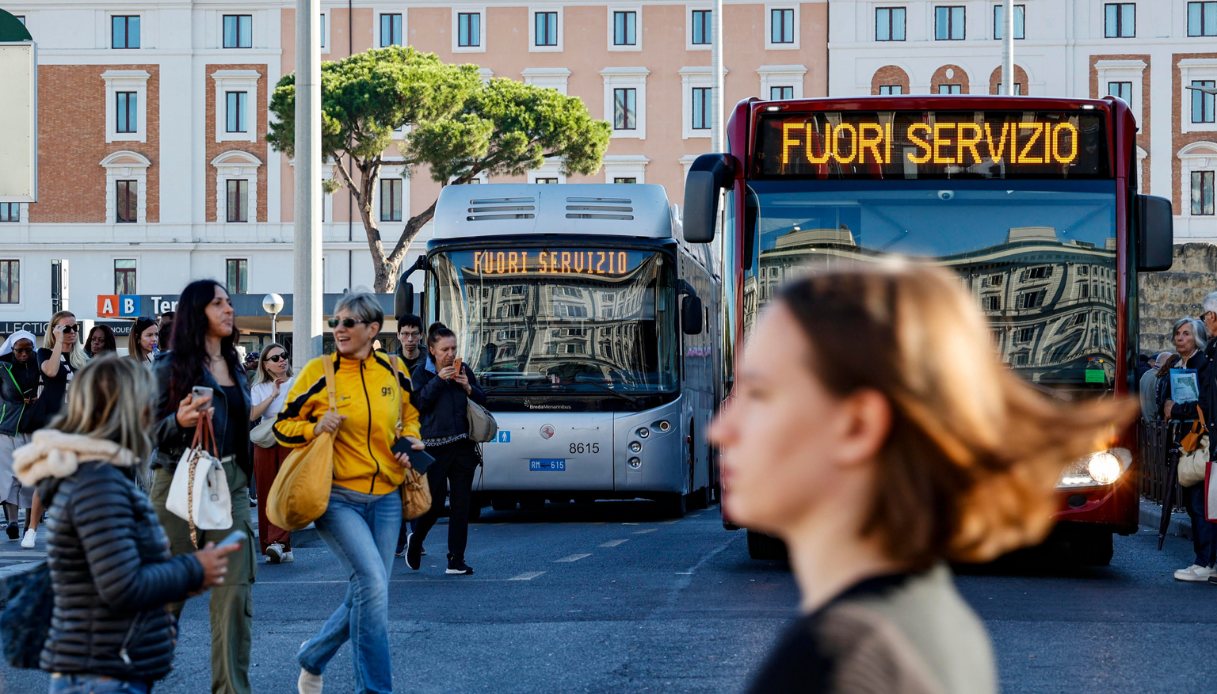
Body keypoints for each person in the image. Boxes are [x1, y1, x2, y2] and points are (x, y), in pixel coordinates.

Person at [706, 262, 1134, 693]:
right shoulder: (915, 623)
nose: (720, 430)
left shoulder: (842, 656)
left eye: (761, 394)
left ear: (858, 426)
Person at [12, 356, 238, 694]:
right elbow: (119, 586)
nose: (153, 411)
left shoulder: (95, 474)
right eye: (148, 400)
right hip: (103, 673)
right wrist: (193, 569)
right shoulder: (99, 483)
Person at [274, 292, 423, 694]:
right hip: (337, 497)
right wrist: (314, 427)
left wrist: (411, 441)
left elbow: (409, 417)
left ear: (373, 330)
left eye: (348, 323)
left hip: (388, 497)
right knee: (372, 584)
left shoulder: (394, 371)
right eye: (335, 322)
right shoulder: (318, 372)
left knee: (371, 590)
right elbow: (281, 426)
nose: (338, 329)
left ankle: (313, 656)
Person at [149, 280, 255, 694]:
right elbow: (144, 434)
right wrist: (178, 421)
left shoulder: (237, 366)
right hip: (178, 482)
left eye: (229, 302)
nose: (228, 309)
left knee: (234, 599)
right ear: (197, 313)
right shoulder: (166, 368)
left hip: (230, 484)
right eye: (217, 304)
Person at [407, 325, 487, 576]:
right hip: (433, 449)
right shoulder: (422, 373)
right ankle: (416, 540)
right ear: (432, 350)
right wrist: (440, 381)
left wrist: (469, 388)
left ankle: (456, 560)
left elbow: (484, 400)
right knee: (433, 504)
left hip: (463, 446)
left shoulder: (464, 370)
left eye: (453, 348)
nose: (450, 354)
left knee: (462, 505)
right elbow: (417, 403)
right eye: (445, 349)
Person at [1156, 317, 1217, 582]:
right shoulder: (1176, 365)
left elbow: (1203, 404)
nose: (1180, 338)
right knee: (1194, 504)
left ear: (1198, 339)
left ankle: (1205, 561)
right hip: (1184, 441)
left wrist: (1176, 409)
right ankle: (1202, 559)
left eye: (1187, 334)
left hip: (1200, 440)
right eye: (1178, 334)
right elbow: (1164, 401)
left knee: (1200, 503)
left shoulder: (1203, 365)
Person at [249, 343, 295, 564]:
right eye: (275, 358)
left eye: (283, 356)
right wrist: (273, 394)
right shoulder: (259, 387)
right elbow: (252, 415)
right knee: (265, 491)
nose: (281, 360)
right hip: (266, 440)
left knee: (284, 491)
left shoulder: (298, 383)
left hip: (290, 438)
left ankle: (278, 542)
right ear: (266, 365)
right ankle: (275, 546)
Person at [0, 331, 40, 543]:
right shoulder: (2, 366)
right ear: (12, 349)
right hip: (8, 427)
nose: (24, 354)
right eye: (19, 350)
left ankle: (28, 524)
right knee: (9, 477)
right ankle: (13, 522)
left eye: (28, 349)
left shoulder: (39, 364)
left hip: (34, 427)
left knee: (31, 478)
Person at [393, 314, 425, 558]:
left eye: (414, 334)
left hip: (422, 432)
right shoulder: (389, 363)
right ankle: (399, 540)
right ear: (398, 336)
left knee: (415, 485)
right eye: (405, 334)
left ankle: (416, 538)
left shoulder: (429, 362)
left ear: (421, 335)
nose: (410, 339)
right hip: (393, 432)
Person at [1139, 351, 1174, 421]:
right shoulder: (1162, 378)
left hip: (1147, 423)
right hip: (1157, 424)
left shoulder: (1146, 374)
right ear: (1167, 363)